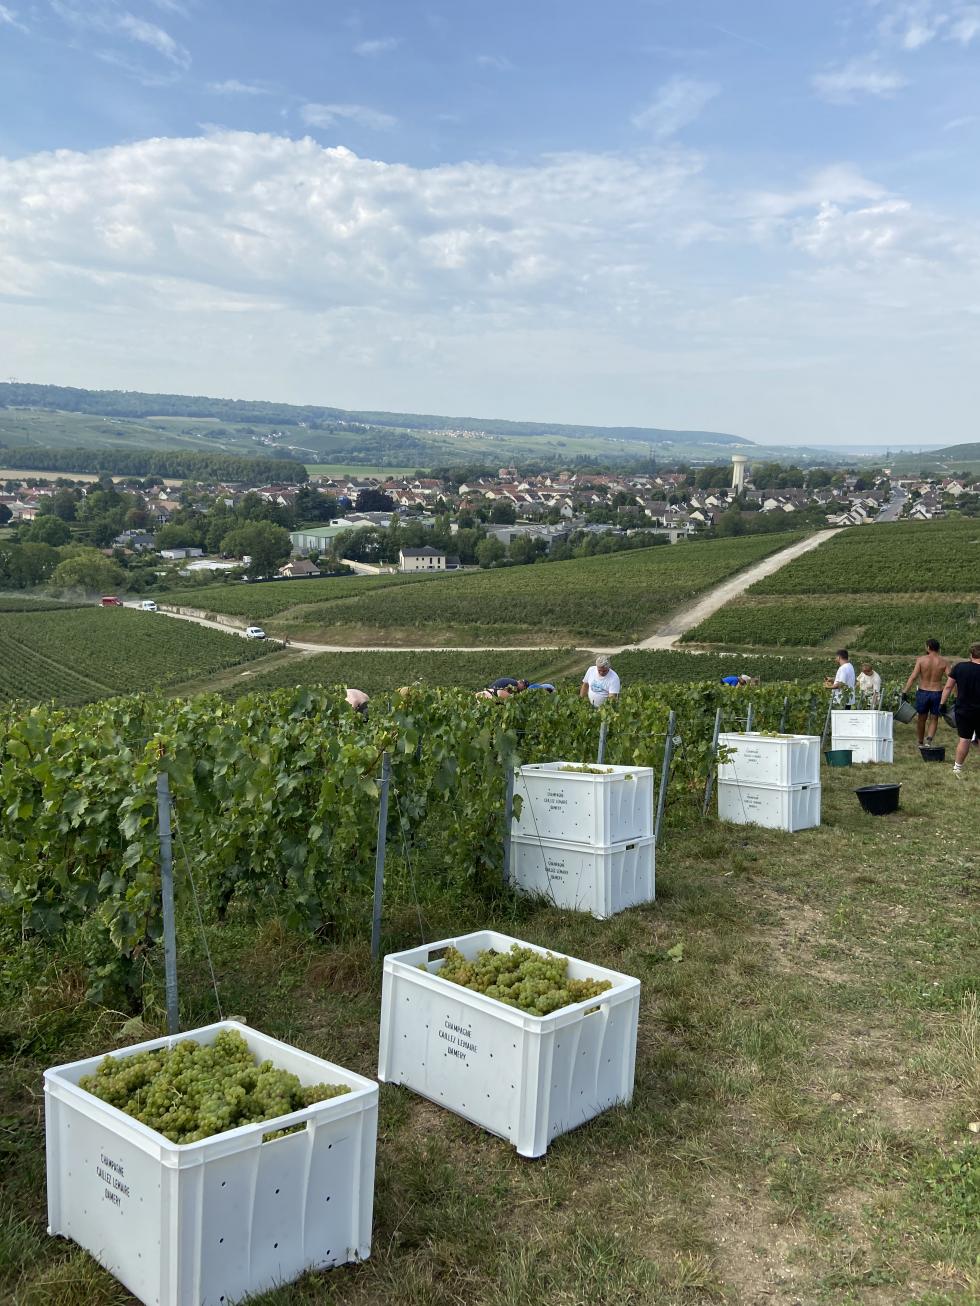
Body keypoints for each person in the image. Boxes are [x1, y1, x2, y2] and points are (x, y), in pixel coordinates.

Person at [940, 643, 980, 776]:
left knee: (964, 739)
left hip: (963, 709)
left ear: (971, 655)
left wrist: (942, 704)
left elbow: (948, 687)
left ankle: (957, 767)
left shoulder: (960, 667)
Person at [903, 638, 951, 746]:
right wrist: (957, 695)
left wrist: (905, 691)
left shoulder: (921, 660)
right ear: (938, 648)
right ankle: (928, 740)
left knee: (921, 718)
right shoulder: (943, 661)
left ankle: (920, 741)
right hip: (937, 692)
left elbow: (913, 677)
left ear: (928, 647)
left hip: (923, 692)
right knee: (934, 718)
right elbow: (951, 679)